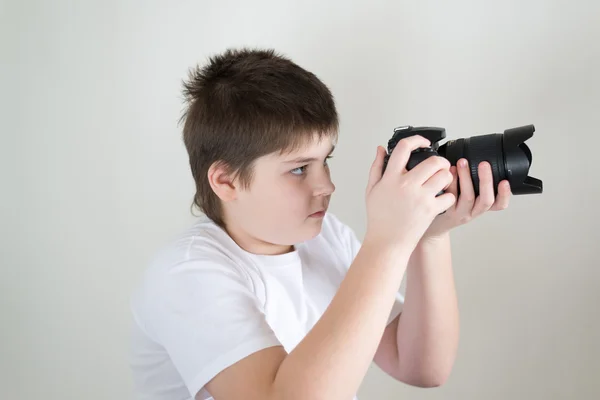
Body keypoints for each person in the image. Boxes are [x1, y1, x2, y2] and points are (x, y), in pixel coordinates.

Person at [128, 47, 512, 400]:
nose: (326, 184)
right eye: (298, 169)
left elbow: (422, 366)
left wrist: (428, 235)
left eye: (324, 160)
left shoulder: (324, 237)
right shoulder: (186, 274)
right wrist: (388, 242)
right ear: (226, 181)